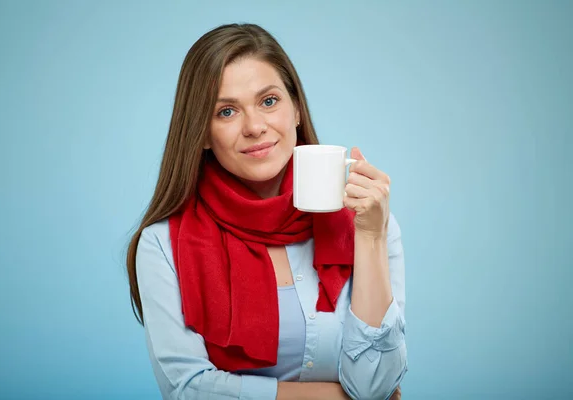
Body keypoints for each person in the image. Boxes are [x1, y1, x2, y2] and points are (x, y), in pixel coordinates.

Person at [126, 23, 407, 400]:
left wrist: (371, 236)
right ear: (203, 134)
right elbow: (188, 389)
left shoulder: (368, 223)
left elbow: (377, 384)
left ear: (296, 111)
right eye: (226, 112)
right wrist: (337, 398)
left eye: (269, 101)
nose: (255, 127)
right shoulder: (162, 243)